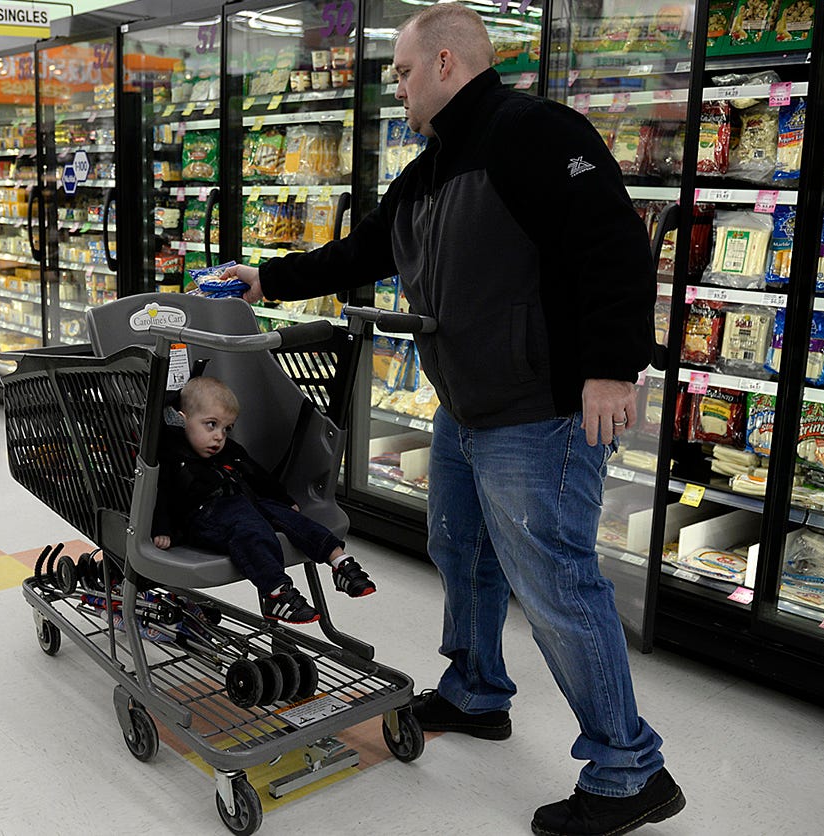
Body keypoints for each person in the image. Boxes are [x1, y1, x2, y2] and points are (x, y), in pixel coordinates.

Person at [217, 5, 682, 835]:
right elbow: (363, 251)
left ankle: (628, 769)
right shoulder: (431, 167)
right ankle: (475, 692)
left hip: (539, 412)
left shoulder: (533, 131)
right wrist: (266, 278)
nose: (394, 88)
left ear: (441, 62)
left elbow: (611, 244)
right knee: (460, 552)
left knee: (556, 584)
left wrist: (613, 367)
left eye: (398, 72)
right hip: (467, 408)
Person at [151, 376, 376, 624]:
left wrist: (283, 499)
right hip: (205, 516)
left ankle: (340, 563)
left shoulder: (229, 451)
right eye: (211, 425)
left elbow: (256, 475)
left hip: (245, 501)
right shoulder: (172, 455)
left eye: (226, 429)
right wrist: (163, 529)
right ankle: (275, 592)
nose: (219, 436)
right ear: (182, 420)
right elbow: (161, 492)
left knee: (293, 519)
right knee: (251, 531)